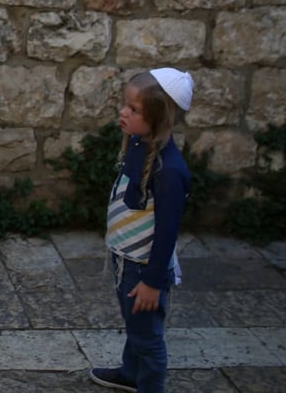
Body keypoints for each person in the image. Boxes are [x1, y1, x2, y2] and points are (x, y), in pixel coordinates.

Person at [90, 68, 194, 393]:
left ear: (158, 117)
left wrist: (151, 283)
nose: (124, 112)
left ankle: (149, 385)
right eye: (126, 105)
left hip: (144, 268)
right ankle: (131, 374)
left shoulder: (169, 172)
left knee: (148, 337)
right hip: (127, 258)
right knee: (135, 325)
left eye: (134, 110)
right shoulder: (138, 144)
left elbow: (166, 233)